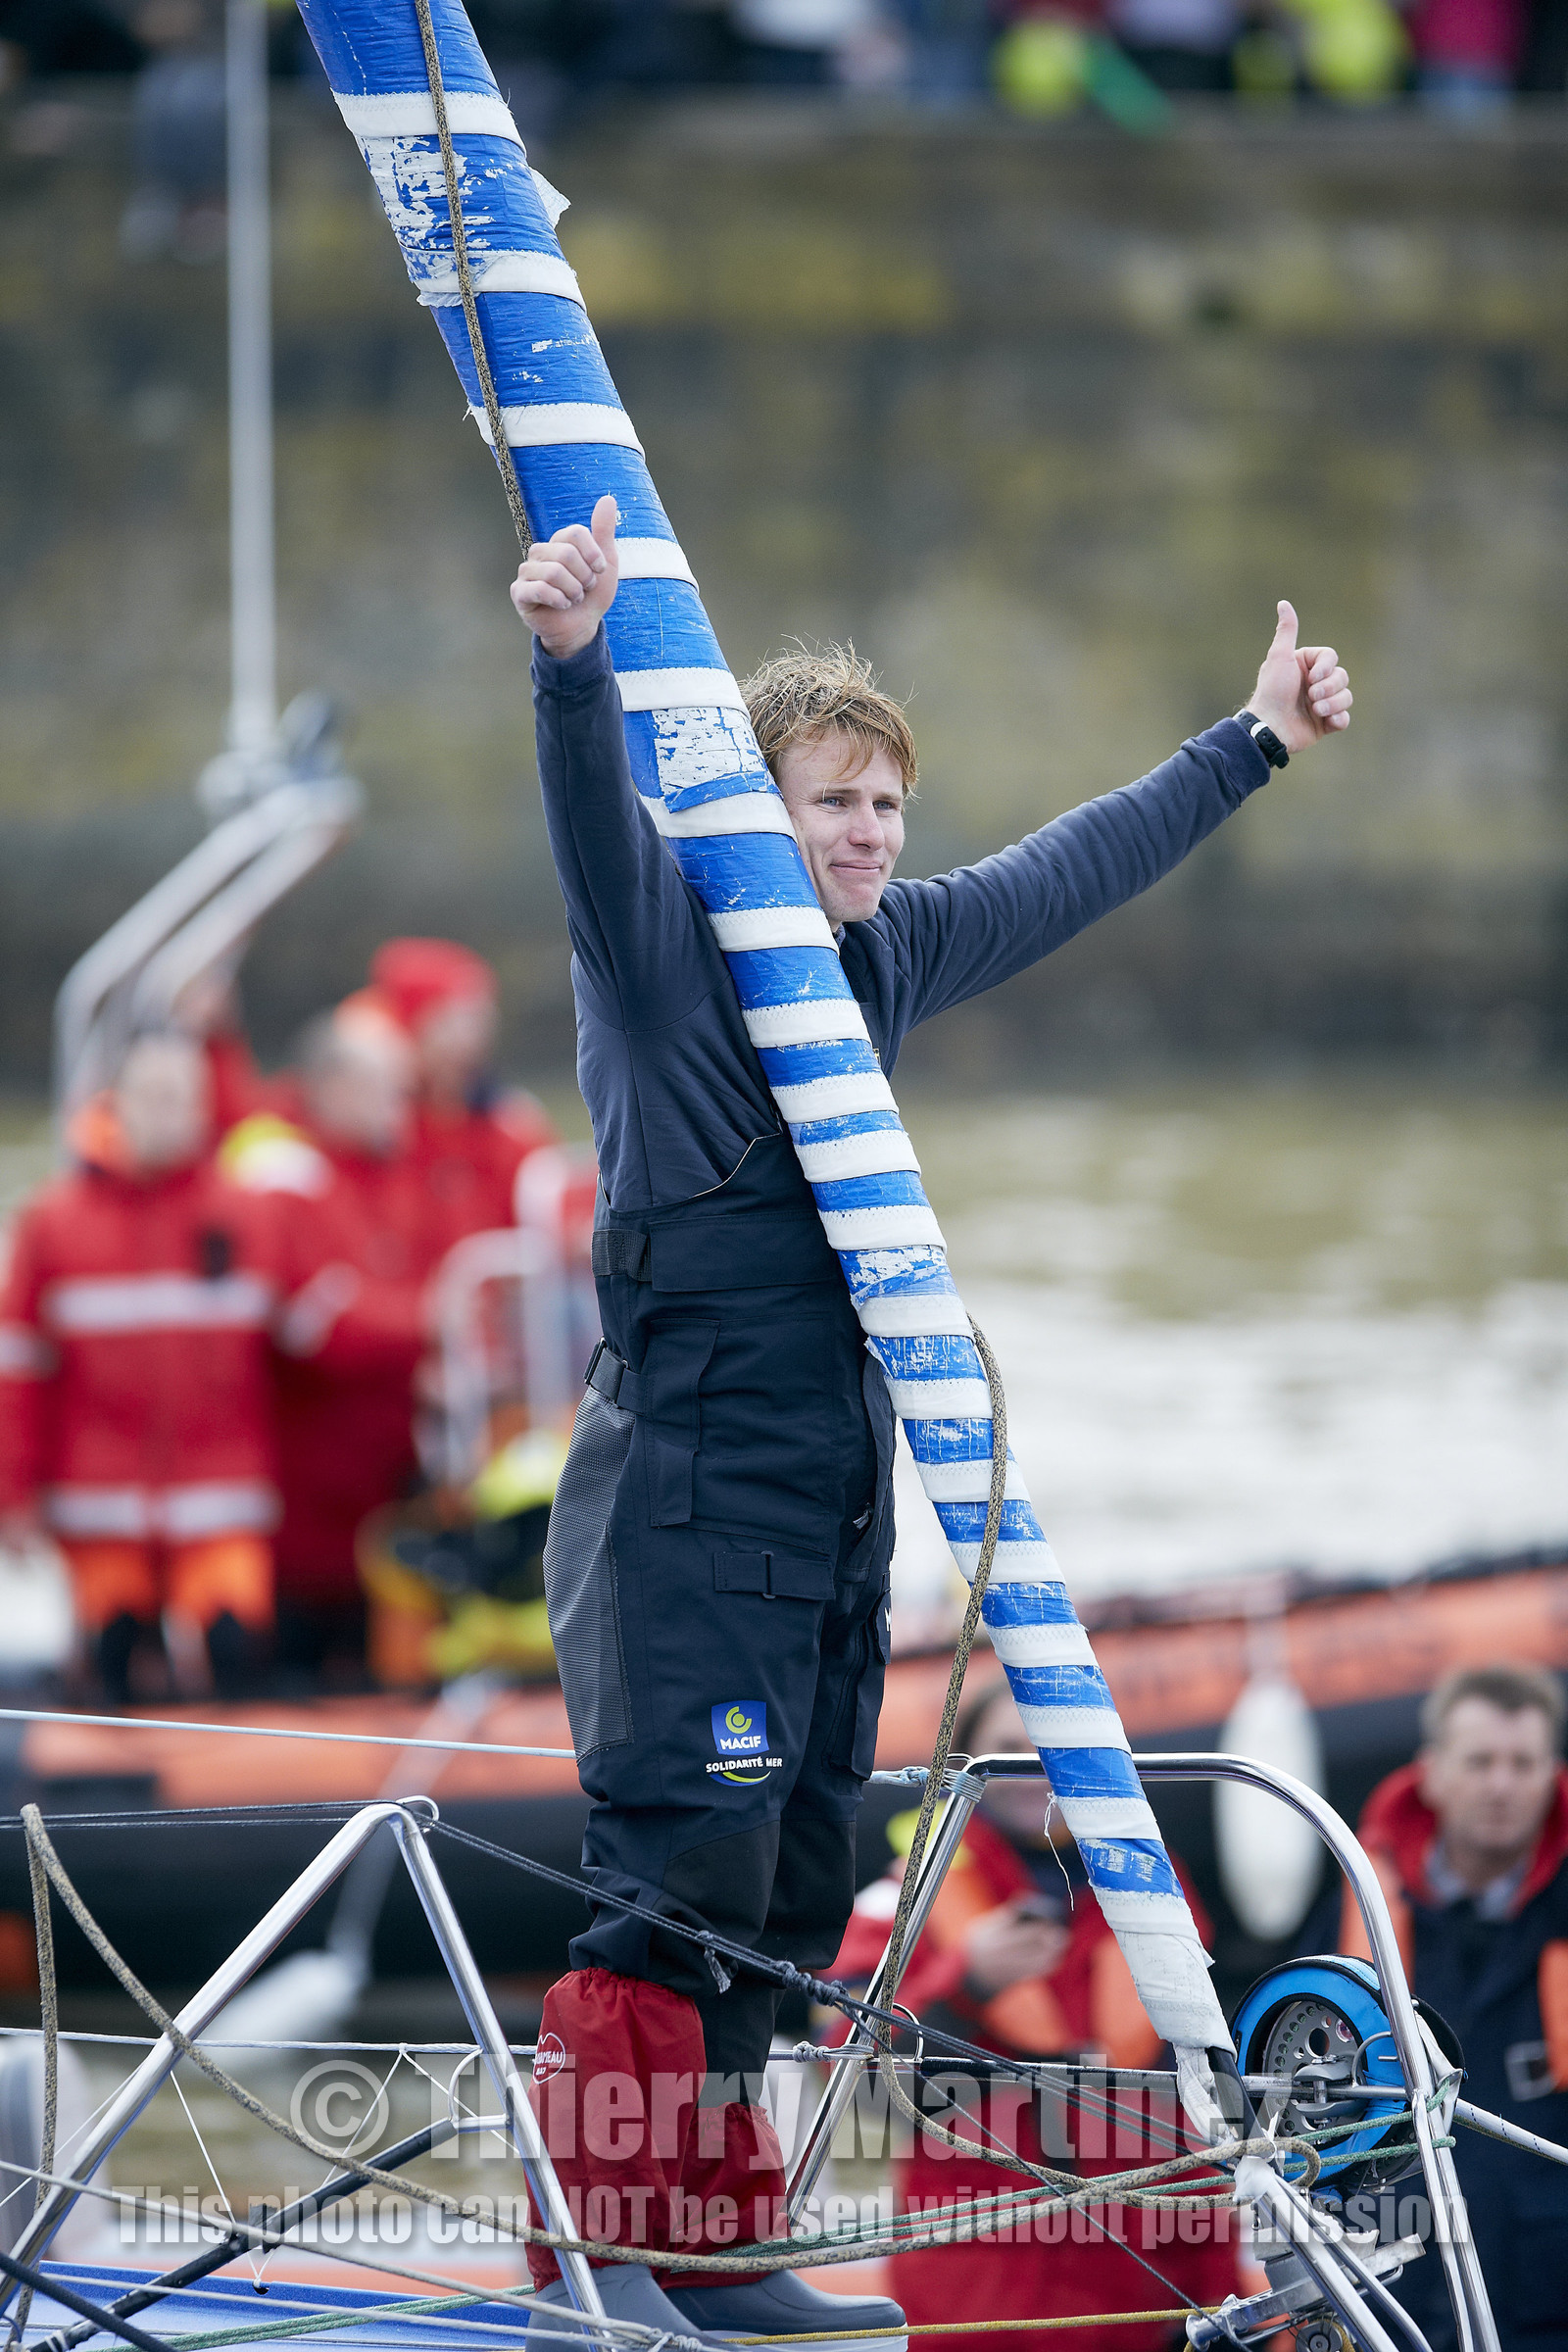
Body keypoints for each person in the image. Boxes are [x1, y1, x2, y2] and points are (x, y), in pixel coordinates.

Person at [509, 489, 1352, 2344]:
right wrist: (572, 670)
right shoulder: (669, 968)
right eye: (833, 800)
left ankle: (721, 2258)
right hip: (685, 1492)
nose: (871, 830)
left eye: (887, 802)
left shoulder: (887, 955)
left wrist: (1257, 743)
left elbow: (1075, 863)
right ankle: (599, 2257)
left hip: (833, 1492)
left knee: (796, 1880)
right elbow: (590, 841)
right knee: (675, 1881)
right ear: (756, 815)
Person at [831, 1681, 1239, 2351]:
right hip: (976, 2309)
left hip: (1135, 2303)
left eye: (1053, 1750)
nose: (1033, 1770)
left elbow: (1201, 2115)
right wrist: (964, 1983)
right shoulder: (902, 1903)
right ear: (969, 1768)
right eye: (1009, 1751)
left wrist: (1217, 2291)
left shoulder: (1160, 1909)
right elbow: (849, 2075)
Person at [0, 1033, 277, 1699]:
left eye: (185, 1097)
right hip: (101, 1506)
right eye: (154, 1096)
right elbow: (19, 1372)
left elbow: (308, 1348)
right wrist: (12, 1495)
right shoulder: (53, 1223)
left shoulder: (249, 1214)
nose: (171, 1113)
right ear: (115, 1104)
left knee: (236, 1654)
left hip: (220, 1499)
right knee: (111, 1667)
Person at [1341, 1663, 1568, 2352]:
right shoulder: (1357, 1910)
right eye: (1480, 1761)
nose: (1501, 1784)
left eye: (1522, 1762)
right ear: (1432, 1773)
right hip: (1397, 2296)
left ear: (1552, 1774)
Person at [221, 1004, 428, 1682]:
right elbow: (314, 1326)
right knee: (296, 1675)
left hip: (383, 1500)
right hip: (305, 1509)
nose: (405, 1106)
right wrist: (432, 1320)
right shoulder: (281, 1175)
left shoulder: (387, 1174)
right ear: (334, 1086)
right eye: (390, 1088)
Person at [368, 937, 559, 1276]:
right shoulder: (372, 1129)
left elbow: (556, 1217)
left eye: (477, 1021)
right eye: (449, 1023)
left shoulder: (511, 1125)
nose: (467, 1040)